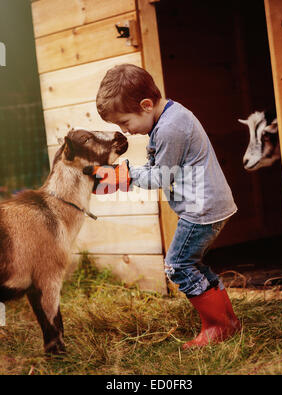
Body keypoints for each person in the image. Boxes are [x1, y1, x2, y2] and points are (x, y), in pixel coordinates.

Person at [84, 63, 241, 349]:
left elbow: (161, 175)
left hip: (202, 209)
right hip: (205, 205)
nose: (125, 131)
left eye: (125, 122)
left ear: (146, 105)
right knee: (190, 263)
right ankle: (227, 322)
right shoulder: (169, 119)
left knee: (177, 265)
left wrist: (125, 175)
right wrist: (123, 178)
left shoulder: (171, 128)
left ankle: (218, 326)